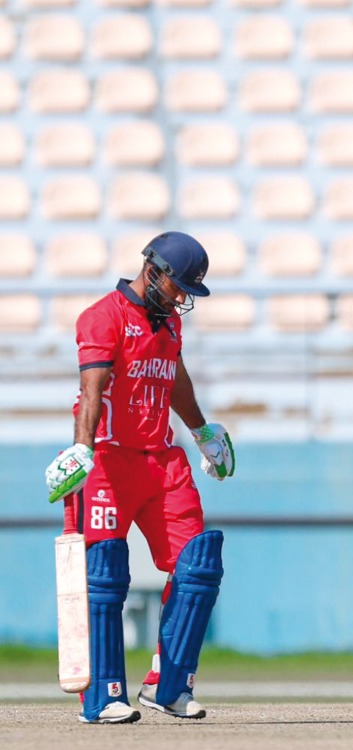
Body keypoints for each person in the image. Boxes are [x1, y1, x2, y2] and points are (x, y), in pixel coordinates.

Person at [44, 232, 236, 724]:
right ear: (153, 270)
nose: (183, 298)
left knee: (198, 566)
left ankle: (168, 686)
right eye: (179, 287)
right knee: (104, 574)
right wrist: (83, 447)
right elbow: (93, 388)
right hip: (107, 461)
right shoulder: (102, 316)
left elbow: (174, 376)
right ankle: (103, 696)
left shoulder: (169, 321)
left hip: (161, 461)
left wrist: (201, 432)